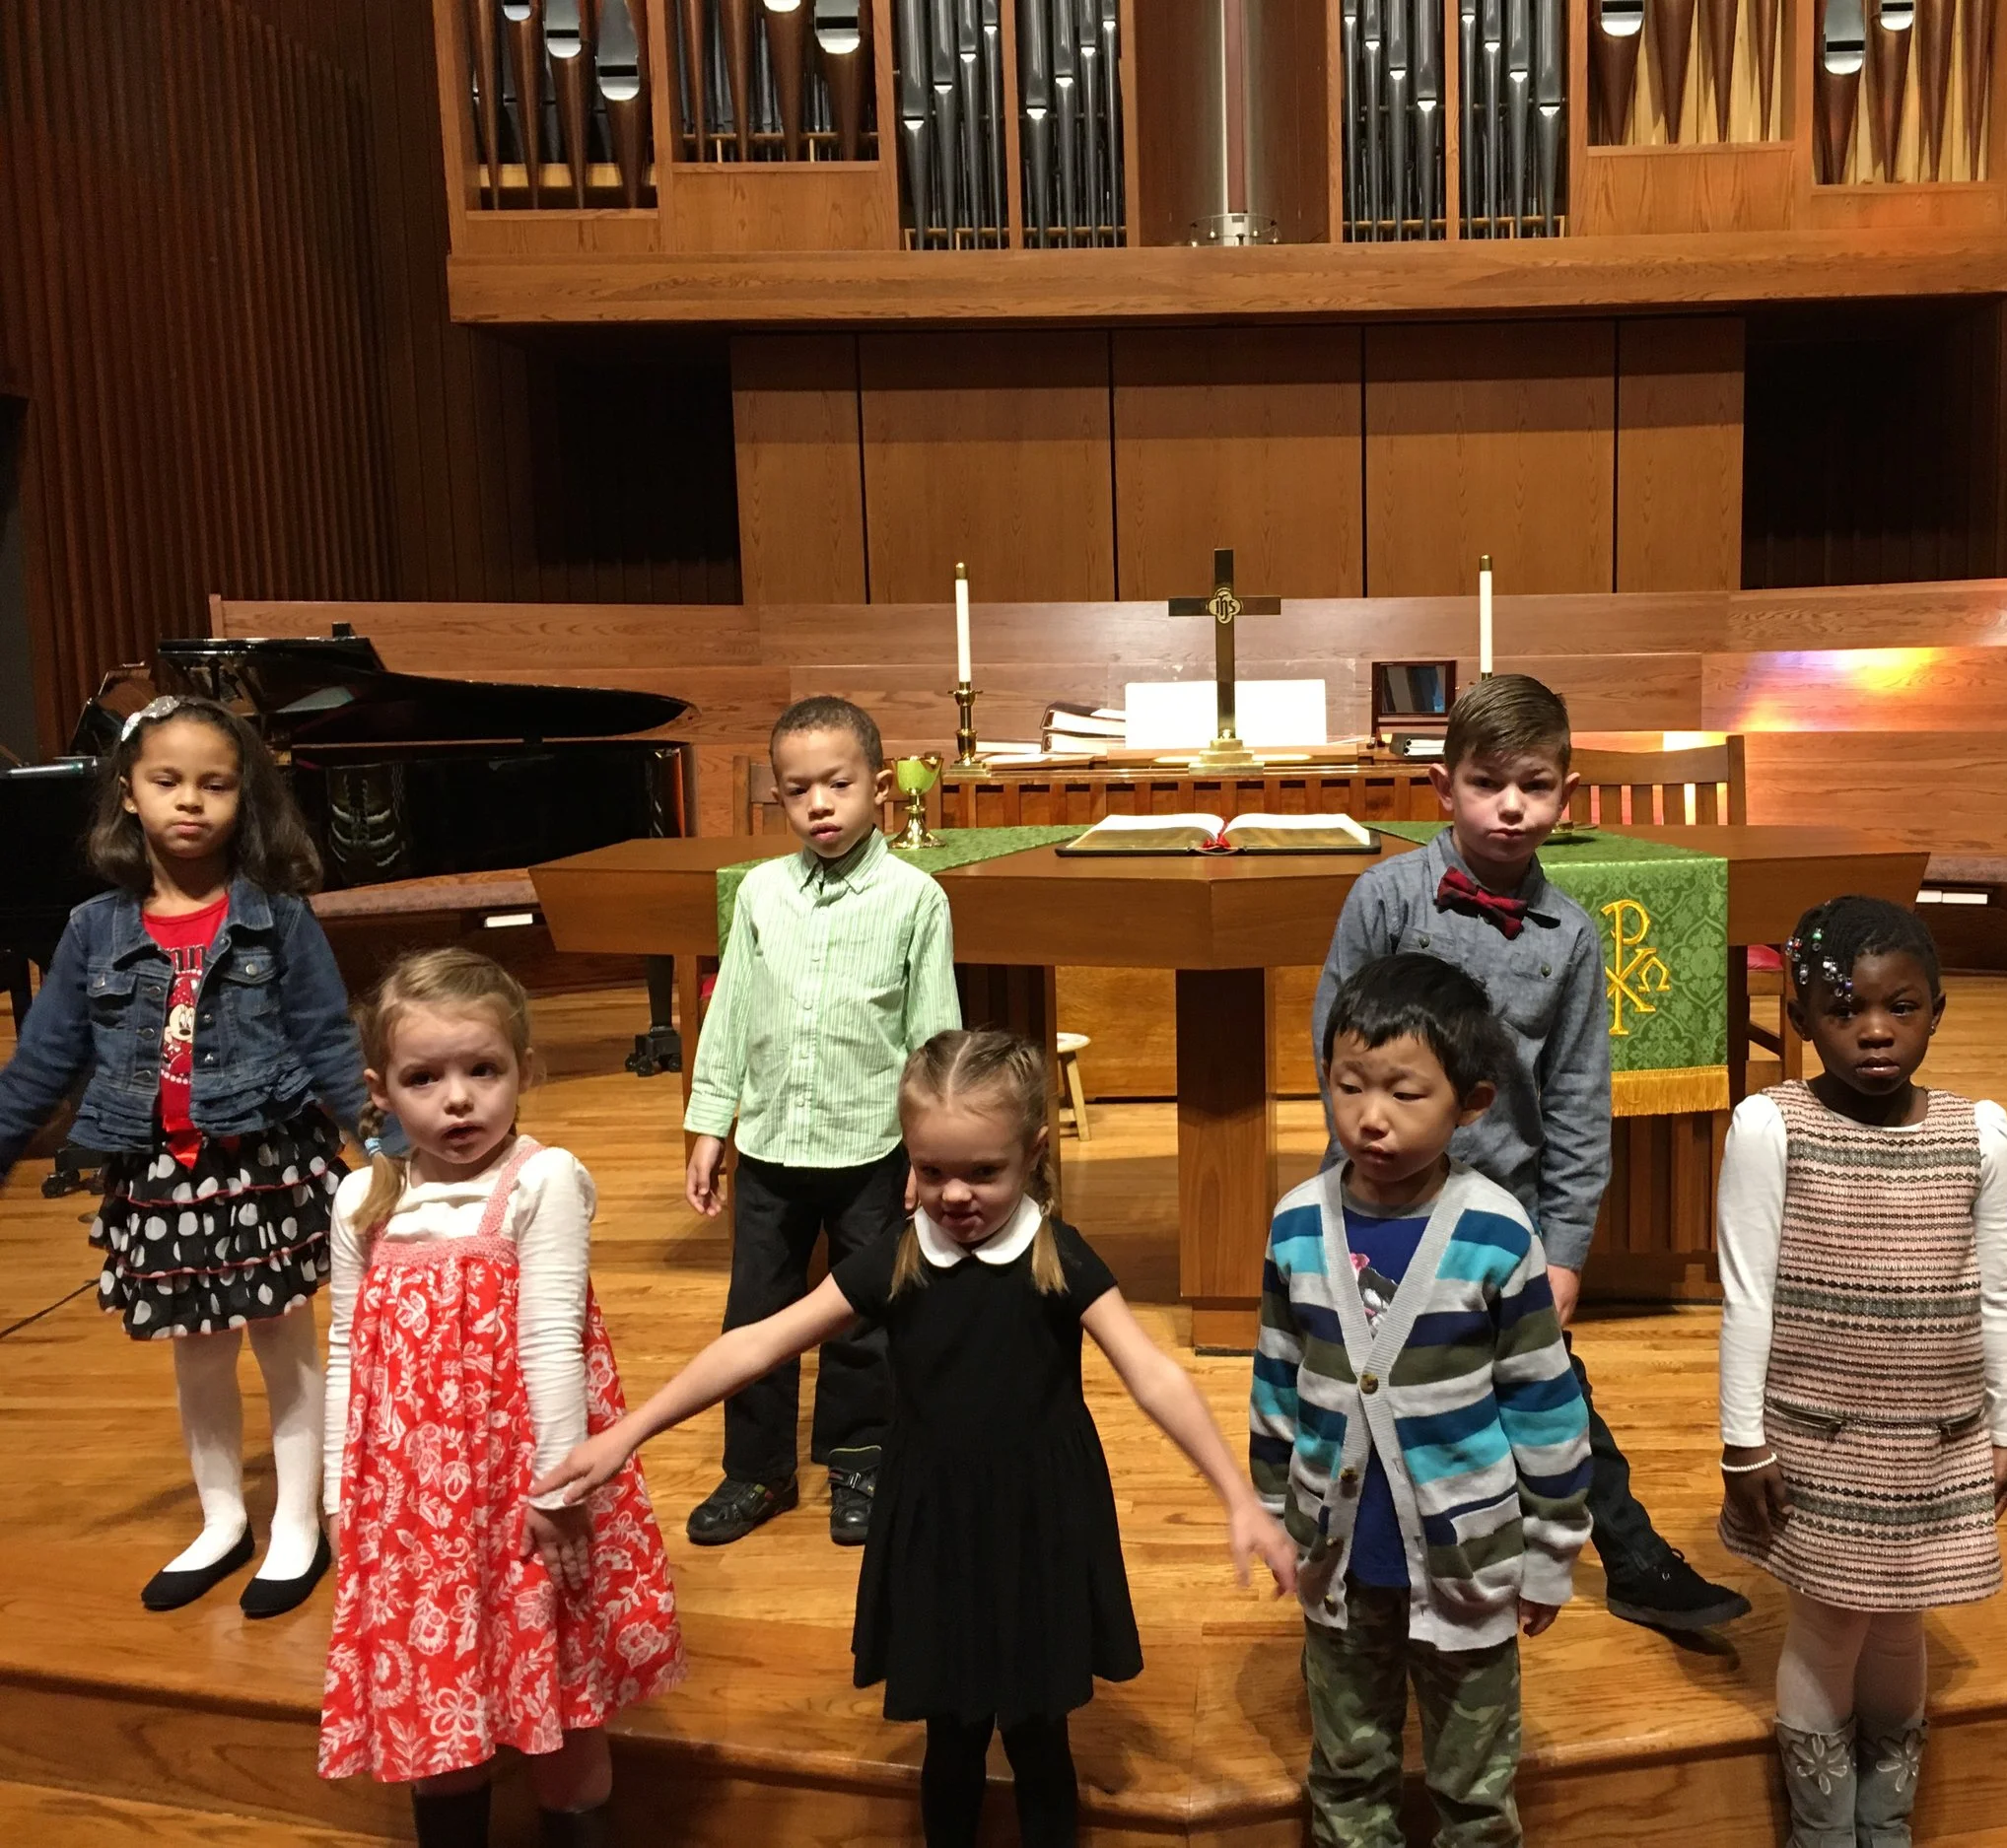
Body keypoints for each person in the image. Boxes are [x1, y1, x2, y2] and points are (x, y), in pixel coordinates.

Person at [541, 1027, 1294, 1848]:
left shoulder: (1056, 1256)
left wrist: (1237, 1494)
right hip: (935, 1519)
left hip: (1039, 1514)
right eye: (932, 1169)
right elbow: (759, 1341)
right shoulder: (894, 1260)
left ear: (1033, 1151)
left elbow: (1156, 1375)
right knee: (952, 1733)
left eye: (983, 1171)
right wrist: (629, 1431)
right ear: (908, 1155)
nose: (955, 1193)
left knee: (1040, 1733)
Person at [1312, 671, 1750, 1634]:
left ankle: (1626, 1555)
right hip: (1378, 1204)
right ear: (1443, 787)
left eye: (1535, 785)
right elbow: (1332, 1049)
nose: (1510, 806)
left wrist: (1563, 1249)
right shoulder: (1386, 899)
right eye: (1486, 783)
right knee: (1369, 1388)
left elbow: (1578, 1101)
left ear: (1568, 789)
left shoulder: (1570, 934)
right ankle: (1355, 1564)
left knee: (1546, 1385)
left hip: (1501, 1212)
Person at [0, 694, 362, 1617]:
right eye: (168, 781)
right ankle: (220, 1519)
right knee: (195, 1353)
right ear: (128, 792)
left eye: (216, 784)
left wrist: (390, 1144)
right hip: (158, 1176)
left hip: (264, 1163)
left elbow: (327, 1040)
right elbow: (45, 1055)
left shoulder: (278, 916)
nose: (190, 802)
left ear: (246, 798)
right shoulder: (93, 928)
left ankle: (297, 1525)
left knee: (286, 1344)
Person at [318, 948, 683, 1848]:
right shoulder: (364, 1198)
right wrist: (337, 1494)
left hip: (526, 1492)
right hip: (418, 1514)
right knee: (438, 1711)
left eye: (483, 1070)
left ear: (525, 1070)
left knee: (556, 1690)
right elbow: (344, 1352)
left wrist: (558, 1494)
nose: (457, 1099)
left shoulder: (543, 1178)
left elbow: (553, 1340)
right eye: (423, 1076)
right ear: (380, 1089)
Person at [1255, 952, 1593, 1848]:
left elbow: (1544, 1403)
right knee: (1348, 1768)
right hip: (1336, 1559)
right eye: (1349, 1085)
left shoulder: (1494, 1228)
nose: (1371, 1117)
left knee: (1475, 1784)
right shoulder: (1297, 1222)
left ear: (1471, 1103)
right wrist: (1268, 1513)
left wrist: (1553, 1548)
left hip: (1468, 1559)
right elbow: (1278, 1380)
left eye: (1406, 1093)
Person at [1717, 896, 2007, 1848]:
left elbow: (2000, 1289)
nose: (1875, 1030)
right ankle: (1823, 1830)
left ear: (1937, 1010)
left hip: (1937, 1433)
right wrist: (1743, 1438)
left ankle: (1884, 1822)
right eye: (1845, 1009)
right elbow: (1747, 1291)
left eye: (1901, 1006)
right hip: (1816, 1432)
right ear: (1804, 1017)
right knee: (1828, 1619)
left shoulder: (1978, 1131)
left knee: (1903, 1619)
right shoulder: (1772, 1125)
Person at [681, 694, 961, 1546]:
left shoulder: (917, 898)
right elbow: (729, 1013)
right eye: (798, 790)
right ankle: (756, 1470)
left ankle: (861, 1457)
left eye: (836, 784)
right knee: (755, 1311)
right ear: (780, 795)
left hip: (871, 1146)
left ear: (879, 787)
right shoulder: (762, 894)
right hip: (769, 1145)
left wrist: (930, 1148)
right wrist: (709, 1123)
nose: (819, 806)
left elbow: (933, 1035)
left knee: (863, 1312)